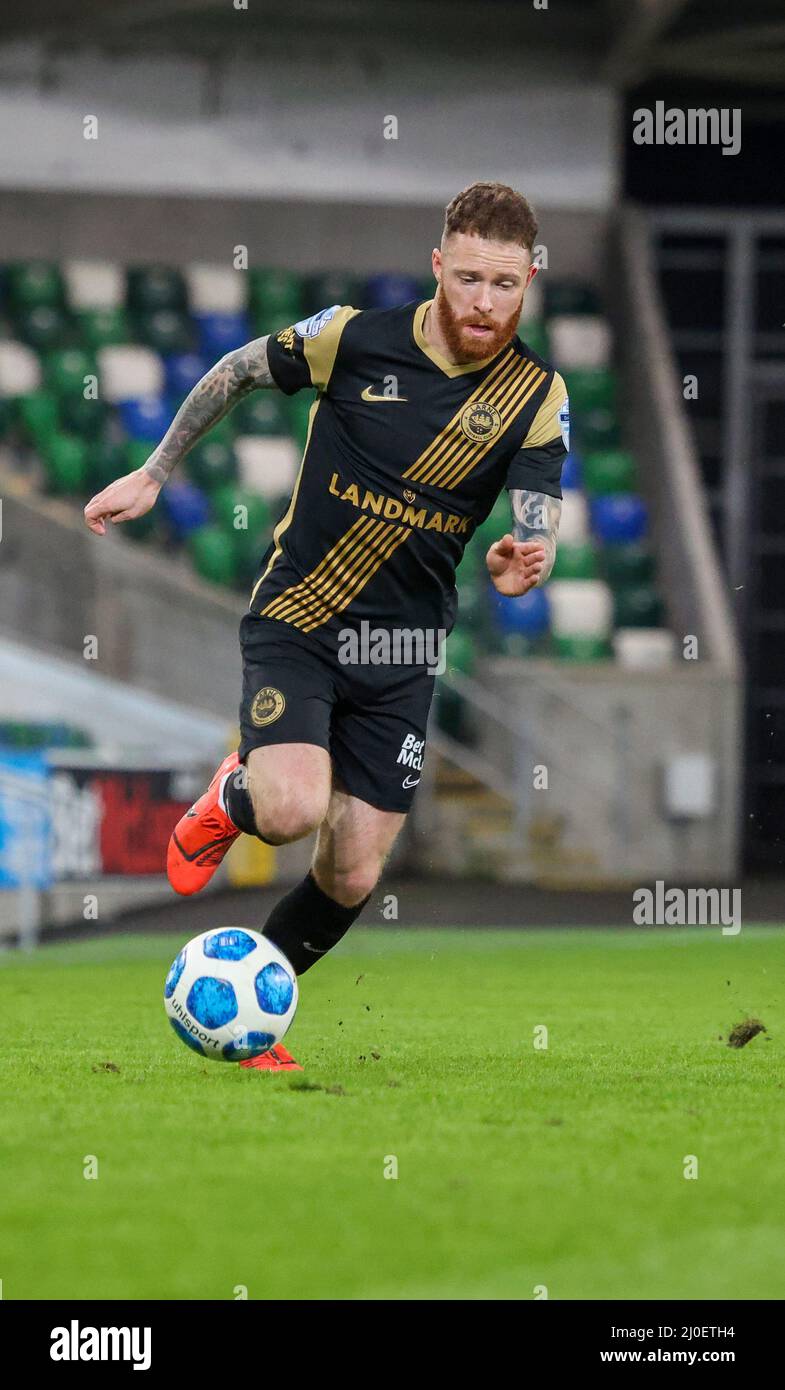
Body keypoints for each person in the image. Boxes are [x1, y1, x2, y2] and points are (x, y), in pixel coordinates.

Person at [84, 180, 567, 984]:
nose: (485, 302)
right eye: (469, 279)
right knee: (289, 810)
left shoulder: (535, 394)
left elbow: (536, 509)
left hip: (405, 646)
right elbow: (236, 372)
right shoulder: (352, 338)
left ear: (530, 281)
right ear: (438, 266)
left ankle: (254, 997)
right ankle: (234, 798)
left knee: (350, 875)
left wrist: (526, 553)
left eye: (506, 284)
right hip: (302, 617)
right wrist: (155, 469)